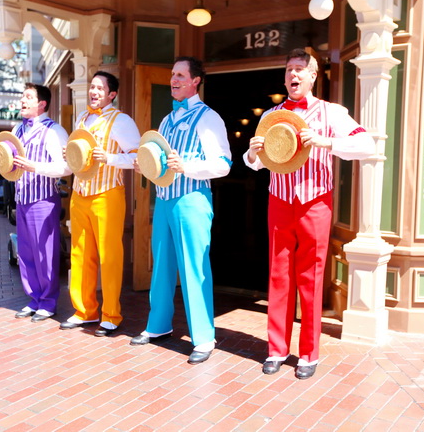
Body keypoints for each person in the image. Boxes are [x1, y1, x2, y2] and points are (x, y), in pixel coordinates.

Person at [244, 48, 375, 379]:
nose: (294, 75)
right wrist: (251, 153)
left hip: (316, 202)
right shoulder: (270, 116)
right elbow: (258, 164)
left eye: (300, 69)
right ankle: (276, 349)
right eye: (290, 69)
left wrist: (325, 141)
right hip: (280, 200)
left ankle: (309, 354)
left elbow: (367, 146)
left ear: (313, 76)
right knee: (278, 275)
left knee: (312, 277)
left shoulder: (333, 112)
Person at [130, 57, 232, 364]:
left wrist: (188, 167)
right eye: (172, 74)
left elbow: (224, 164)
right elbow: (161, 163)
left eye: (180, 75)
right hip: (164, 199)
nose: (173, 79)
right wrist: (144, 165)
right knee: (161, 266)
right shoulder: (165, 120)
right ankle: (158, 326)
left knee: (194, 268)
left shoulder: (208, 118)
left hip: (192, 200)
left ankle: (203, 338)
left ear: (195, 81)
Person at [59, 71, 141, 337]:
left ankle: (111, 315)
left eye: (99, 88)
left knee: (109, 256)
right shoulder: (82, 118)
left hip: (107, 194)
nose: (94, 92)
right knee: (80, 254)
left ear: (112, 94)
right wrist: (68, 154)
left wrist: (110, 157)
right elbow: (79, 157)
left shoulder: (122, 120)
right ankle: (84, 311)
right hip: (80, 193)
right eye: (92, 87)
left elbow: (140, 157)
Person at [10, 83, 71, 322]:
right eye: (22, 96)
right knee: (25, 253)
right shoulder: (17, 129)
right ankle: (34, 298)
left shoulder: (54, 131)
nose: (22, 100)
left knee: (45, 253)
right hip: (22, 198)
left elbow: (66, 167)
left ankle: (48, 301)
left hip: (43, 199)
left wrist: (36, 167)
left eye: (28, 97)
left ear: (42, 104)